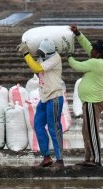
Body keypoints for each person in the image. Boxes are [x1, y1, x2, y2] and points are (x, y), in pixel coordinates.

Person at [16, 38, 64, 168]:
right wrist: (28, 51)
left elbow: (36, 67)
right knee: (37, 125)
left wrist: (26, 54)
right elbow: (36, 68)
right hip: (44, 97)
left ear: (49, 52)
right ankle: (46, 157)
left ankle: (60, 159)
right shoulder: (43, 58)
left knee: (54, 128)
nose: (41, 55)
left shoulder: (55, 59)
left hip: (54, 97)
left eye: (43, 53)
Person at [67, 24, 103, 167]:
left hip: (93, 102)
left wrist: (69, 55)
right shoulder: (98, 60)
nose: (91, 50)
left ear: (97, 53)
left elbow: (76, 66)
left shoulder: (95, 63)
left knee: (92, 131)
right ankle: (88, 158)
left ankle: (96, 160)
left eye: (94, 50)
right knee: (86, 131)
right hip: (89, 102)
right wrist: (78, 34)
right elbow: (87, 46)